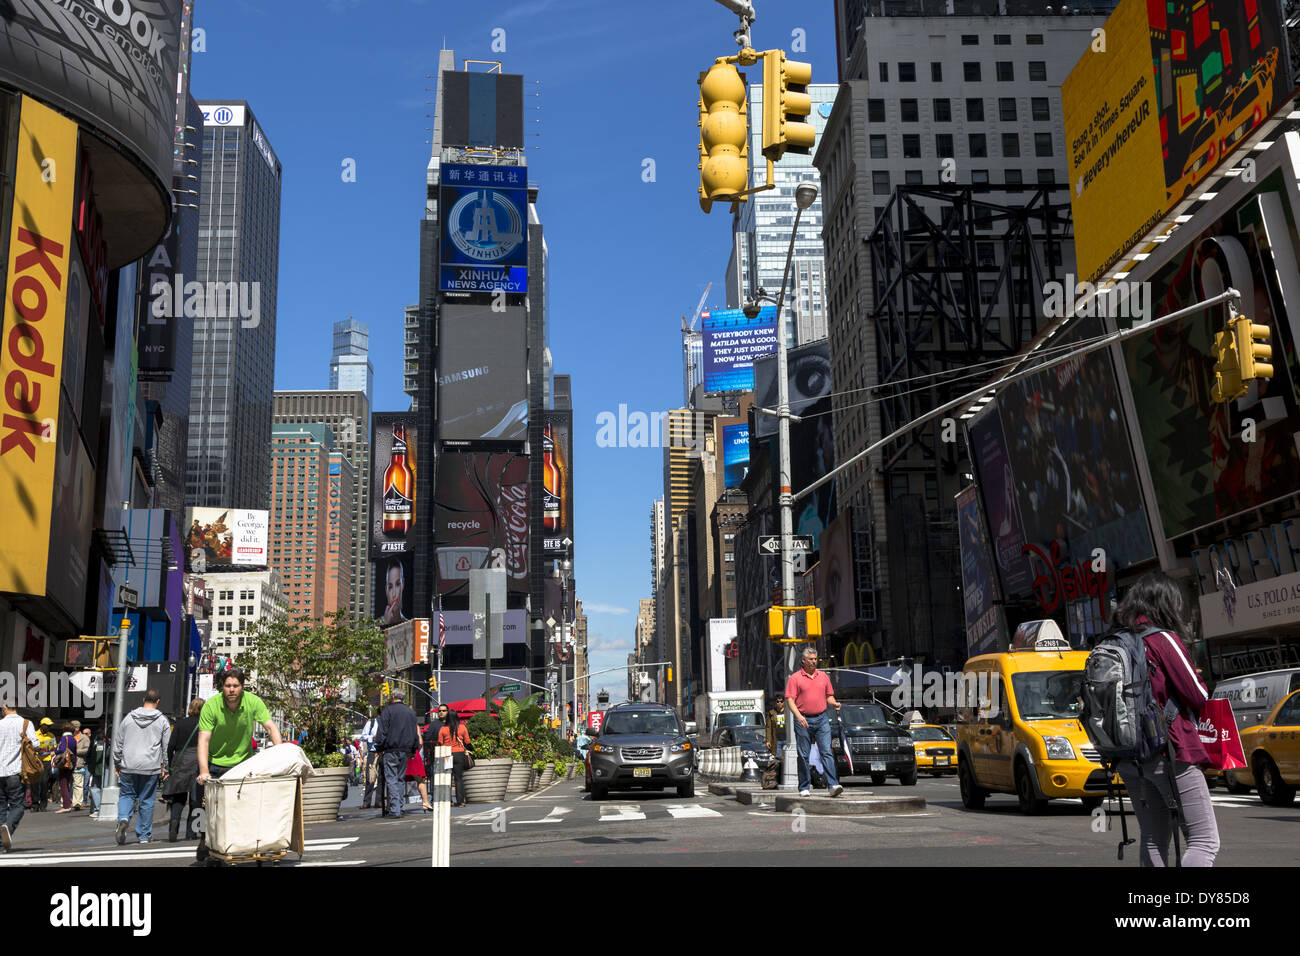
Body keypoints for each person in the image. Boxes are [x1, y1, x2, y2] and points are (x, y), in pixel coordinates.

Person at [1112, 573, 1219, 867]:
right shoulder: (1162, 639)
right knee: (1203, 840)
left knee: (1153, 837)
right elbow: (1198, 695)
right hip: (1169, 753)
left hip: (1128, 757)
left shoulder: (1117, 642)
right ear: (1166, 603)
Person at [195, 669, 283, 862]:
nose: (232, 690)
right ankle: (203, 839)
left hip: (242, 763)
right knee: (203, 806)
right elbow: (203, 740)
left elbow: (270, 727)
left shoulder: (252, 702)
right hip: (214, 763)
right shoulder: (211, 706)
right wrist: (204, 771)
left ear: (242, 687)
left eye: (235, 686)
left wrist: (281, 756)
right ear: (222, 688)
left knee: (245, 808)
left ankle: (244, 845)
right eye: (228, 686)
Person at [112, 688, 172, 845]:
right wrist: (166, 768)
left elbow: (118, 742)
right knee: (146, 800)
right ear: (158, 701)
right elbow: (166, 747)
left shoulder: (128, 718)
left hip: (128, 765)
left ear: (143, 699)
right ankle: (144, 836)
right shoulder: (162, 720)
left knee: (126, 795)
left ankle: (123, 818)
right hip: (150, 766)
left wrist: (117, 762)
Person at [785, 646, 844, 798]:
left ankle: (833, 784)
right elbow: (790, 700)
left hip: (822, 718)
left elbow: (829, 696)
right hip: (803, 718)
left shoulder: (823, 676)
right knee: (804, 754)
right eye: (810, 659)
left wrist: (834, 703)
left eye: (815, 659)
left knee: (826, 752)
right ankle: (804, 787)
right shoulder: (795, 678)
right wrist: (798, 716)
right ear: (803, 660)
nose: (813, 662)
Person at [0, 695, 41, 852]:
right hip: (16, 771)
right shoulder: (25, 723)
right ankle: (7, 828)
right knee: (18, 805)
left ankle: (0, 843)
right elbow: (35, 744)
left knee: (1, 806)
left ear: (5, 707)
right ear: (16, 707)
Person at [163, 699, 204, 842]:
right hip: (198, 762)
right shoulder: (205, 724)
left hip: (180, 762)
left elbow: (170, 746)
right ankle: (192, 832)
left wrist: (169, 766)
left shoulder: (180, 723)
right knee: (196, 799)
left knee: (178, 797)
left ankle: (174, 822)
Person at [374, 690, 419, 818]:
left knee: (392, 780)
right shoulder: (411, 712)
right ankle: (399, 807)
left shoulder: (387, 711)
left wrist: (379, 747)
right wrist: (413, 749)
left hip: (391, 749)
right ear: (403, 698)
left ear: (393, 696)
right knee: (400, 779)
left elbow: (382, 732)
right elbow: (414, 732)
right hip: (405, 750)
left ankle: (395, 809)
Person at [438, 710, 472, 807]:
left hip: (448, 754)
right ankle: (460, 801)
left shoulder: (443, 729)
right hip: (459, 754)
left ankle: (449, 801)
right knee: (459, 778)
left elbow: (440, 742)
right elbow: (467, 741)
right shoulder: (462, 727)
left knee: (448, 777)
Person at [53, 723, 77, 812]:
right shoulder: (73, 739)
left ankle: (66, 806)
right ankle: (68, 803)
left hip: (64, 763)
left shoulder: (64, 738)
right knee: (67, 783)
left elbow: (62, 749)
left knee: (63, 783)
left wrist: (55, 751)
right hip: (71, 762)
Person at [360, 708, 381, 809]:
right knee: (370, 777)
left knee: (381, 777)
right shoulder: (371, 723)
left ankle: (379, 801)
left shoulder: (387, 723)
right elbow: (363, 736)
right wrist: (372, 737)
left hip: (383, 752)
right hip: (372, 752)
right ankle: (366, 801)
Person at [73, 724, 90, 810]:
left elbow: (87, 750)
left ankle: (82, 802)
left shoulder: (85, 739)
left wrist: (76, 751)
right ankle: (70, 801)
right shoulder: (70, 736)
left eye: (87, 733)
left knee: (83, 784)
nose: (85, 735)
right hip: (71, 763)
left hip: (83, 764)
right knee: (72, 784)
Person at [765, 694, 787, 758]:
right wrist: (768, 740)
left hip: (787, 740)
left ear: (784, 702)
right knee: (778, 760)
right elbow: (768, 728)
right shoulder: (771, 713)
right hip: (777, 741)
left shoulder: (788, 712)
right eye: (777, 701)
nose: (779, 703)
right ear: (775, 702)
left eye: (781, 701)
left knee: (788, 760)